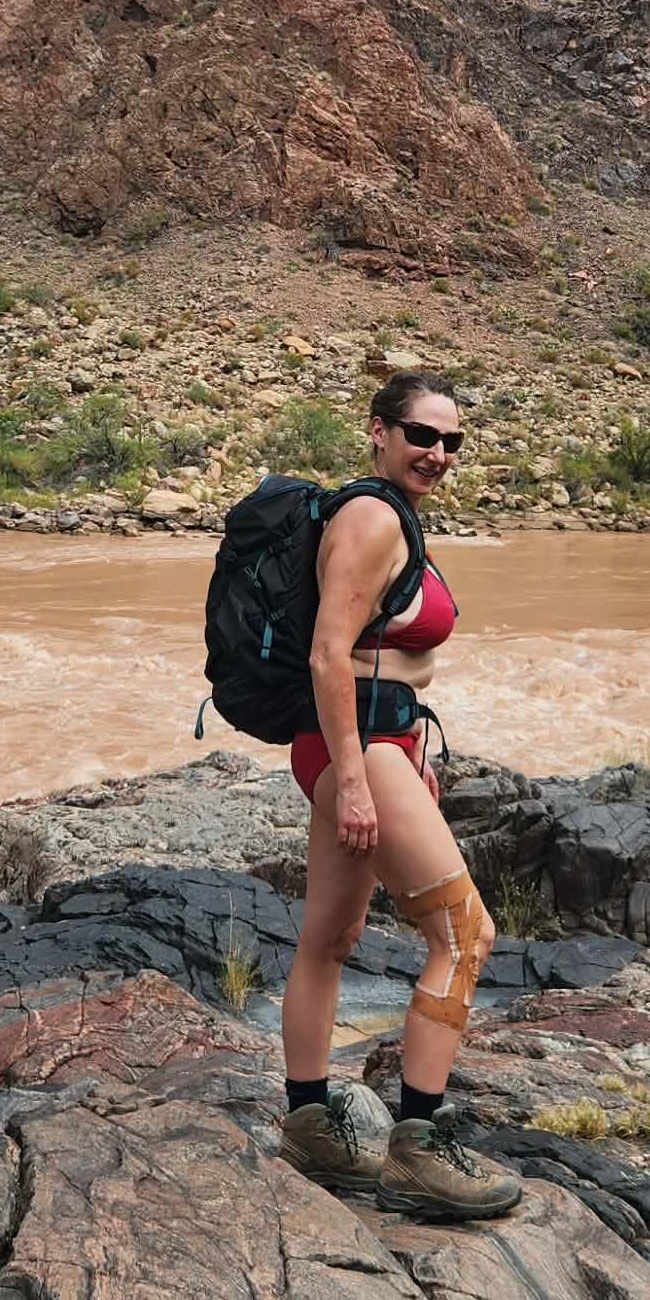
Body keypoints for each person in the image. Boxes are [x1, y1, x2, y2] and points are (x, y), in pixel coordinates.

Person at [279, 369, 522, 1220]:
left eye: (452, 440)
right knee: (465, 933)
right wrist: (355, 776)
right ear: (378, 431)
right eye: (423, 435)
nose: (439, 453)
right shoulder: (373, 517)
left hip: (380, 742)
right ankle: (419, 1143)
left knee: (332, 934)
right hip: (359, 746)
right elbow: (327, 655)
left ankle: (309, 1118)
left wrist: (408, 750)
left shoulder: (388, 515)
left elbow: (382, 657)